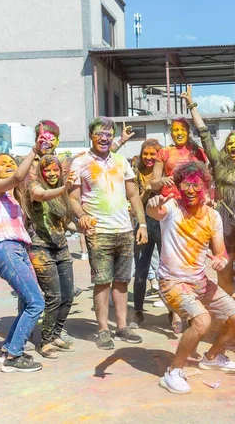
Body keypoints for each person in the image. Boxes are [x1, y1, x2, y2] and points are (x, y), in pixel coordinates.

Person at [148, 162, 235, 395]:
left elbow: (220, 251)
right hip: (172, 282)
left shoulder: (213, 216)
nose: (190, 190)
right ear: (179, 187)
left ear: (204, 186)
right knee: (202, 321)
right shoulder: (171, 207)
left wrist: (221, 260)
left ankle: (212, 357)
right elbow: (154, 211)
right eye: (185, 185)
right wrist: (152, 203)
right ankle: (173, 372)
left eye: (196, 185)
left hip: (199, 281)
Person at [181, 86, 235, 341]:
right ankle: (225, 319)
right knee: (224, 280)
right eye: (230, 143)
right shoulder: (220, 164)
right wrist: (193, 106)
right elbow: (204, 136)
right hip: (223, 228)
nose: (233, 145)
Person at [69, 117, 148, 350]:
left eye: (108, 134)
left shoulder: (121, 161)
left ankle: (122, 326)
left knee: (123, 281)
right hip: (98, 231)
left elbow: (133, 196)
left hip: (124, 230)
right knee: (102, 282)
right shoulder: (80, 163)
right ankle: (103, 329)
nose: (104, 138)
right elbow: (73, 199)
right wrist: (81, 215)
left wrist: (141, 224)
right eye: (99, 133)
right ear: (91, 135)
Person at [0, 136, 47, 373]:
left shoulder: (13, 196)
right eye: (3, 163)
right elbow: (18, 176)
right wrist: (34, 149)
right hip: (5, 248)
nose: (9, 164)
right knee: (36, 302)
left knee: (27, 304)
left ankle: (6, 350)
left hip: (20, 249)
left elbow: (20, 178)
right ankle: (15, 355)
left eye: (12, 161)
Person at [151, 116, 208, 333]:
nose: (179, 133)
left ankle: (191, 304)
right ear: (171, 133)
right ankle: (175, 311)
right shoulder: (164, 153)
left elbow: (205, 176)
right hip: (171, 207)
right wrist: (162, 181)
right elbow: (153, 182)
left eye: (182, 129)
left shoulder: (196, 151)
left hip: (193, 206)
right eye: (175, 130)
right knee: (172, 257)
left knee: (193, 257)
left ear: (188, 131)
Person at [26, 154, 77, 359]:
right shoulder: (35, 186)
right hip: (40, 248)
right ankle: (45, 341)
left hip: (61, 247)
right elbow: (40, 196)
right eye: (47, 170)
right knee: (53, 296)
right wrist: (64, 189)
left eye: (55, 169)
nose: (52, 173)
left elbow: (65, 223)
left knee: (68, 295)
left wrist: (84, 227)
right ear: (41, 172)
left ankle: (56, 335)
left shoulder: (61, 191)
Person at [130, 139, 163, 328]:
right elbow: (135, 202)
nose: (149, 157)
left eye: (153, 154)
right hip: (144, 225)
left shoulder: (165, 172)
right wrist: (148, 190)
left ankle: (172, 312)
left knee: (168, 270)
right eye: (146, 154)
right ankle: (138, 312)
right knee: (141, 270)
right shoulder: (136, 173)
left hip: (164, 225)